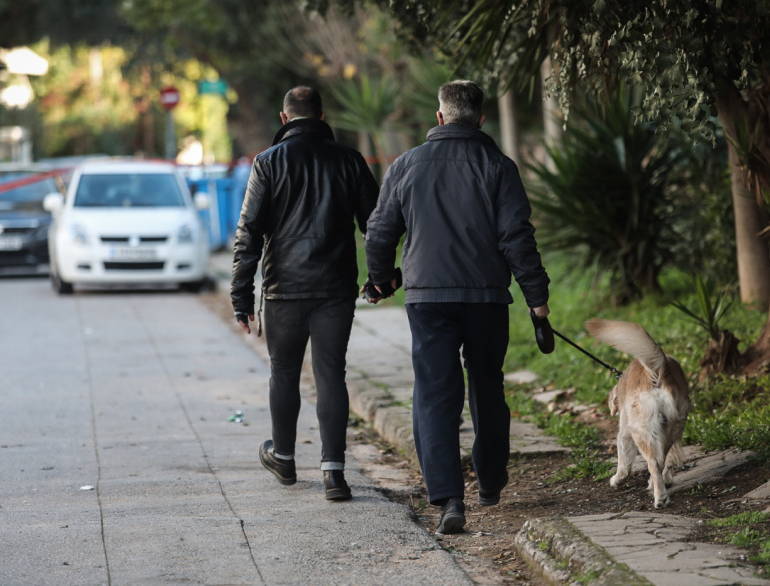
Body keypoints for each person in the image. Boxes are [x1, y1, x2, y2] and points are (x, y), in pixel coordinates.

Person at [363, 80, 550, 533]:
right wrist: (537, 300)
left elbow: (379, 229)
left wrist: (381, 277)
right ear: (481, 120)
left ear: (440, 117)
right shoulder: (498, 166)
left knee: (434, 392)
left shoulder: (406, 164)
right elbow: (516, 238)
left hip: (427, 298)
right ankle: (489, 481)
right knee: (487, 385)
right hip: (486, 296)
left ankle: (449, 499)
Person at [231, 86, 379, 501]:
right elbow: (377, 225)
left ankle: (284, 458)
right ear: (322, 115)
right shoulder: (350, 160)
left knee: (284, 373)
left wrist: (241, 296)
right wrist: (381, 275)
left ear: (284, 119)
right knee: (331, 373)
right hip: (335, 289)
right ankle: (334, 474)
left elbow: (249, 235)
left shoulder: (267, 163)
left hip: (284, 290)